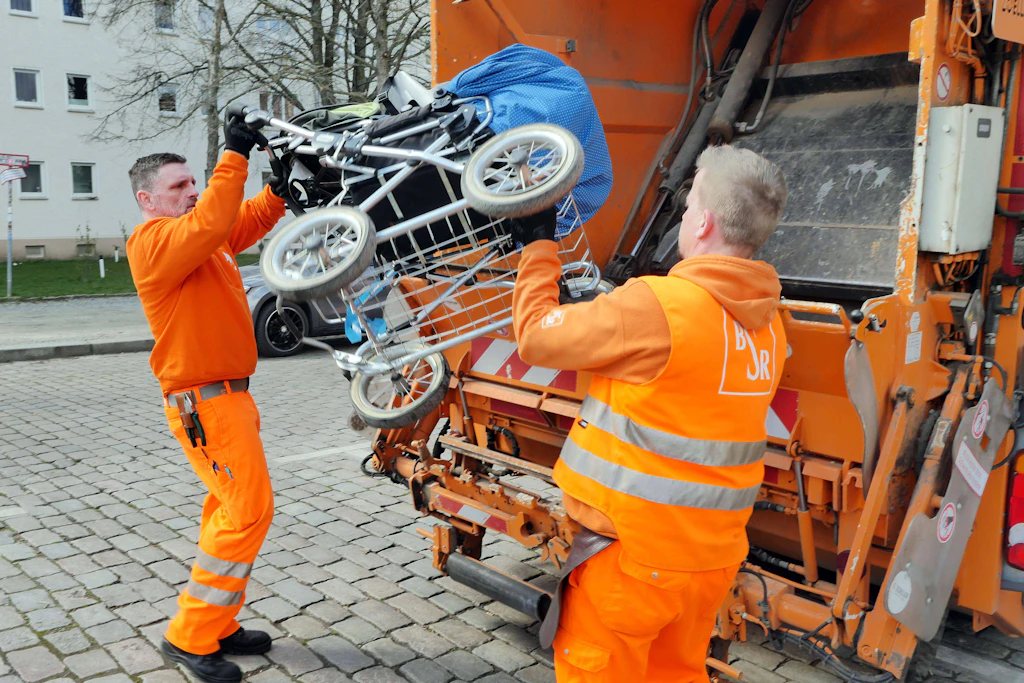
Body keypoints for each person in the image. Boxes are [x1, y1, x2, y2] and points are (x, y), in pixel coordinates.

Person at [513, 145, 789, 682]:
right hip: (709, 561)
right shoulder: (768, 326)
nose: (684, 218)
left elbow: (533, 337)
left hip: (632, 562)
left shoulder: (656, 305)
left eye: (687, 210)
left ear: (704, 222)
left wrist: (537, 244)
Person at [126, 110, 287, 683]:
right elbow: (215, 219)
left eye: (195, 183)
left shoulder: (202, 239)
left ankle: (217, 624)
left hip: (227, 401)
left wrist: (278, 191)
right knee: (247, 512)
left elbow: (235, 223)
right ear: (148, 199)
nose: (192, 193)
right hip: (205, 403)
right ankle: (189, 637)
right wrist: (234, 155)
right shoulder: (153, 243)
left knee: (229, 511)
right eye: (179, 187)